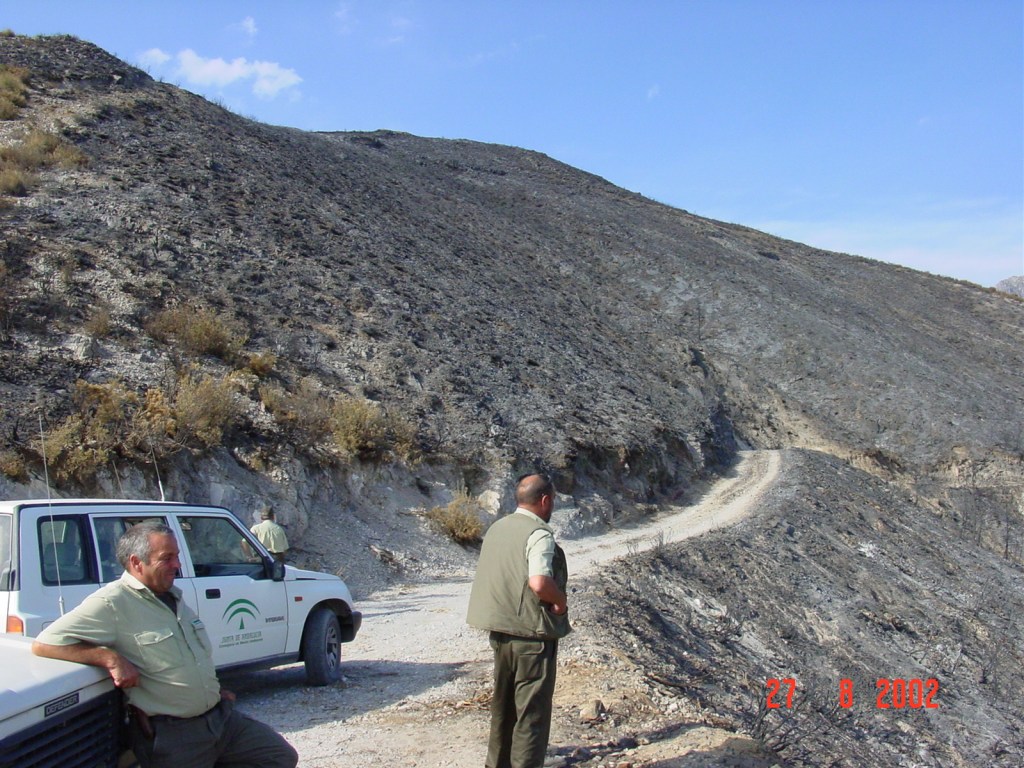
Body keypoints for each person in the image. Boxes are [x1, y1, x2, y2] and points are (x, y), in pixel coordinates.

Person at [31, 521, 298, 768]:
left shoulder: (171, 595)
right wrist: (110, 658)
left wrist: (210, 691)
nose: (177, 565)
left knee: (279, 756)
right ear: (136, 563)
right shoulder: (112, 602)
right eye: (166, 558)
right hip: (175, 734)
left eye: (177, 556)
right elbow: (46, 643)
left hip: (220, 718)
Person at [466, 473, 571, 768]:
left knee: (503, 710)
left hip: (500, 635)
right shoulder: (539, 534)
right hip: (532, 638)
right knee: (531, 715)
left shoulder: (497, 528)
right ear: (545, 500)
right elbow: (539, 582)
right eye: (553, 501)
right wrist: (560, 603)